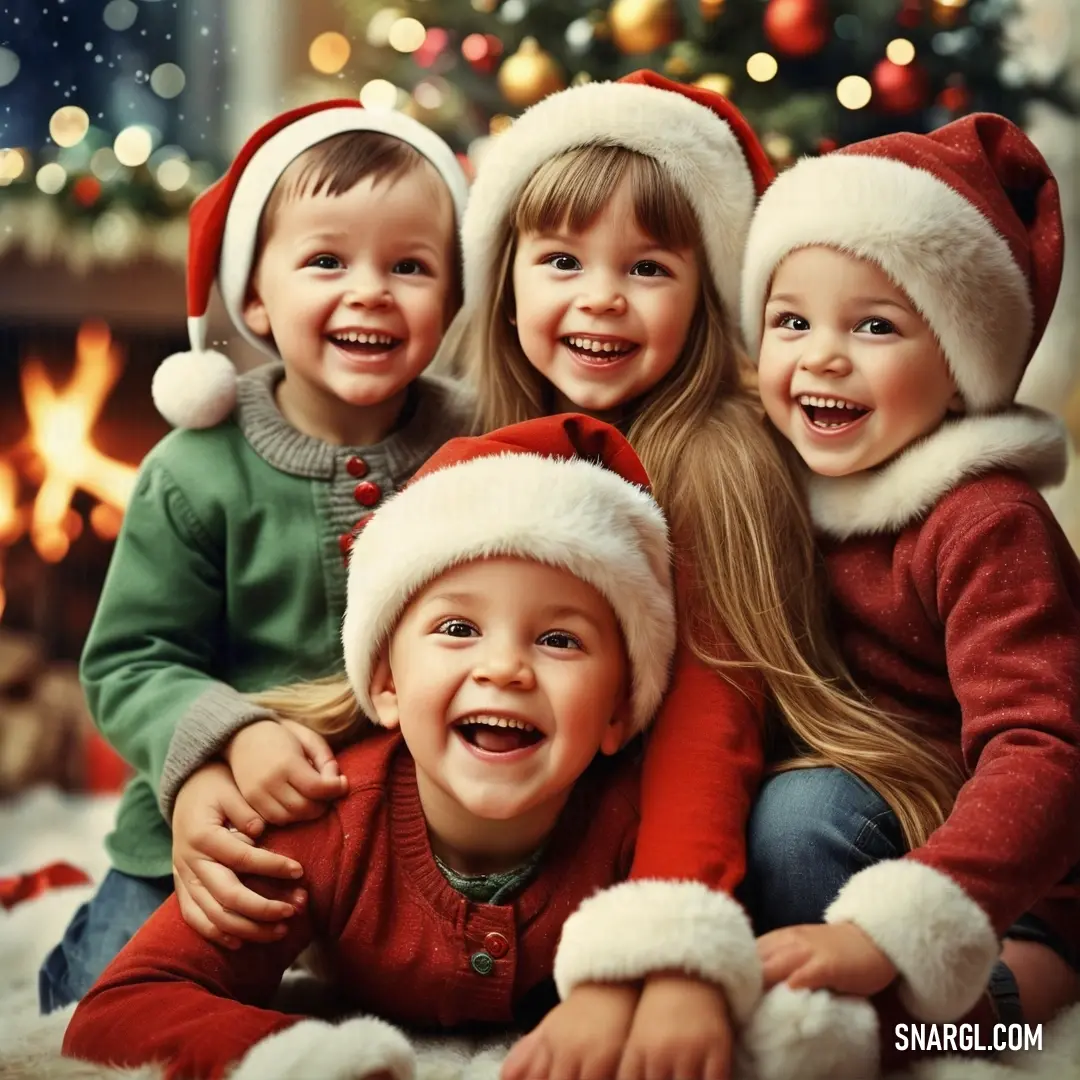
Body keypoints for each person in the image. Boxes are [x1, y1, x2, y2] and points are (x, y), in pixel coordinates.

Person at [442, 70, 916, 1080]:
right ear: (508, 277)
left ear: (705, 290)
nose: (601, 297)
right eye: (562, 259)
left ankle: (989, 998)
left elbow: (714, 714)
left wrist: (663, 961)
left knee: (795, 844)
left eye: (649, 267)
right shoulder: (472, 446)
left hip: (764, 775)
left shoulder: (720, 458)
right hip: (598, 776)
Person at [63, 413, 759, 1080]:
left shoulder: (645, 835)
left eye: (558, 639)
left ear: (618, 712)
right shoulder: (325, 822)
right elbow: (118, 1007)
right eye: (458, 628)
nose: (504, 670)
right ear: (387, 684)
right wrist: (312, 1059)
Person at [38, 98, 472, 1014]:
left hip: (419, 824)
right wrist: (219, 747)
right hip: (228, 815)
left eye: (411, 265)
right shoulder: (194, 470)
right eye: (325, 260)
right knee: (107, 1003)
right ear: (256, 296)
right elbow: (132, 658)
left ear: (454, 296)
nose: (370, 291)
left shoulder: (479, 448)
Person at [737, 113, 1080, 1074]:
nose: (821, 357)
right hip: (867, 782)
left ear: (962, 371)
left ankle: (1001, 1005)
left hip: (1010, 862)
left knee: (800, 831)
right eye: (791, 320)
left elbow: (1044, 750)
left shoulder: (983, 519)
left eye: (875, 325)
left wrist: (894, 933)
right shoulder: (771, 480)